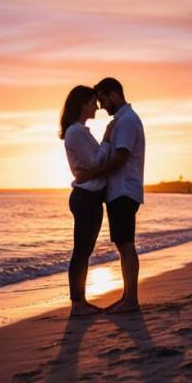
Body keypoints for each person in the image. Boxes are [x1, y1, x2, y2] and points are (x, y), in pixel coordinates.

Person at [75, 77, 145, 314]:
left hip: (124, 190)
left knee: (126, 245)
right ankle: (128, 297)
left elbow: (120, 158)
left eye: (103, 100)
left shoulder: (125, 122)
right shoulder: (123, 120)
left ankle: (131, 300)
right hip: (122, 191)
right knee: (123, 244)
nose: (102, 106)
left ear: (114, 94)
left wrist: (91, 173)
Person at [60, 85, 116, 316]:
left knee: (85, 250)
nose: (96, 106)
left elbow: (94, 166)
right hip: (85, 197)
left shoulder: (81, 131)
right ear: (82, 103)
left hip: (91, 197)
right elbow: (94, 163)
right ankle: (77, 304)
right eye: (93, 102)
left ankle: (80, 302)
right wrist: (106, 138)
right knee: (82, 250)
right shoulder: (76, 132)